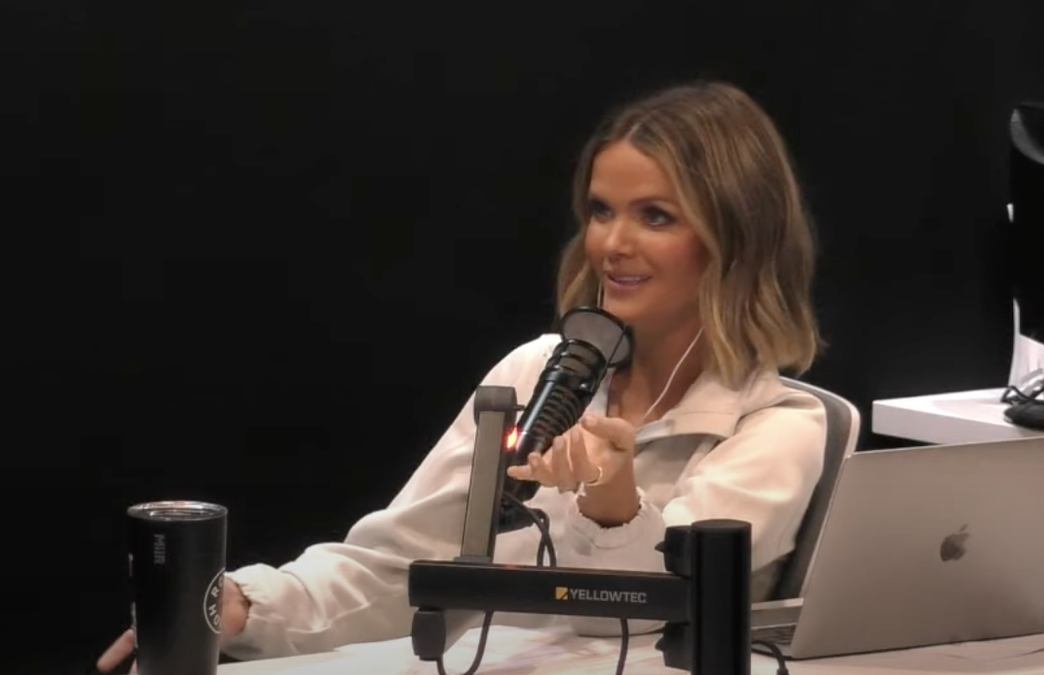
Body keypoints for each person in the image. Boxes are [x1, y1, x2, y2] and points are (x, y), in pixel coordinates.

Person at [96, 80, 827, 671]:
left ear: (737, 239)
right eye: (601, 211)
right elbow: (398, 566)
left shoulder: (779, 427)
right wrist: (246, 606)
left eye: (657, 216)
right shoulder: (534, 371)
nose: (613, 243)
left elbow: (641, 613)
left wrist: (611, 503)